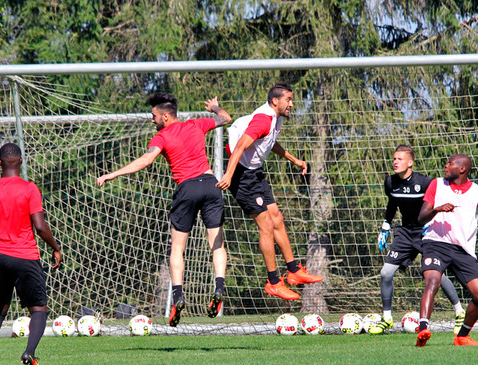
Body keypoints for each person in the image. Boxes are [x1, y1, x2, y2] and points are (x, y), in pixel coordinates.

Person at [97, 93, 232, 327]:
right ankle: (219, 288)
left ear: (166, 116)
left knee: (177, 249)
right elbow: (225, 118)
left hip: (187, 189)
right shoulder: (196, 124)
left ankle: (178, 297)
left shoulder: (162, 136)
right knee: (217, 244)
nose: (152, 120)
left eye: (154, 116)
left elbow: (145, 161)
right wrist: (214, 107)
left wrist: (114, 173)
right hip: (211, 185)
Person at [216, 83, 322, 301]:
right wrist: (228, 175)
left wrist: (294, 159)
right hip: (241, 176)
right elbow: (240, 147)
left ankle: (293, 271)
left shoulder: (276, 118)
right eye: (288, 100)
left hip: (255, 172)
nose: (292, 104)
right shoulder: (263, 119)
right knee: (266, 225)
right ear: (276, 101)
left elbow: (269, 142)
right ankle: (273, 282)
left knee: (277, 218)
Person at [0, 143, 62, 365]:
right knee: (39, 309)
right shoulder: (29, 189)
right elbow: (40, 227)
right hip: (25, 256)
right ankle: (29, 352)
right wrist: (55, 247)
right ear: (21, 161)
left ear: (0, 162)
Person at [414, 154, 478, 347]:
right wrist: (437, 210)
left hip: (462, 249)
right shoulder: (437, 184)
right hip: (436, 243)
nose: (446, 165)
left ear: (462, 169)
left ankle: (462, 336)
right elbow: (421, 217)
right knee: (432, 280)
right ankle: (423, 328)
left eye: (450, 163)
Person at [372, 145, 466, 334]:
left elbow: (439, 204)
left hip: (427, 231)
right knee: (386, 273)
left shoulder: (425, 182)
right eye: (394, 159)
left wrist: (436, 221)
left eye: (399, 159)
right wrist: (385, 225)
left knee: (435, 274)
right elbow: (392, 204)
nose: (395, 162)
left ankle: (459, 311)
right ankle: (387, 318)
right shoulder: (390, 182)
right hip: (405, 233)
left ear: (410, 162)